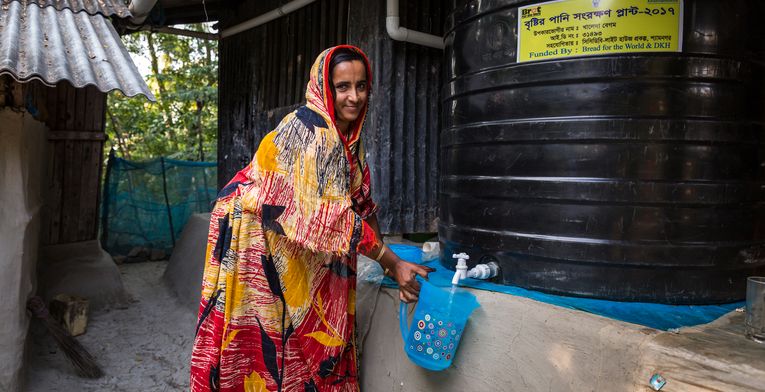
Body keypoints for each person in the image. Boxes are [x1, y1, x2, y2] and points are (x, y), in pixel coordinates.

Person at [190, 45, 434, 392]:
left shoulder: (347, 139)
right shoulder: (312, 132)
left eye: (361, 86)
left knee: (299, 325)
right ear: (324, 87)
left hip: (288, 232)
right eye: (343, 87)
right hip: (253, 235)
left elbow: (361, 204)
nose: (354, 97)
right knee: (264, 333)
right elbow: (333, 220)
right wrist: (392, 261)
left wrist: (389, 266)